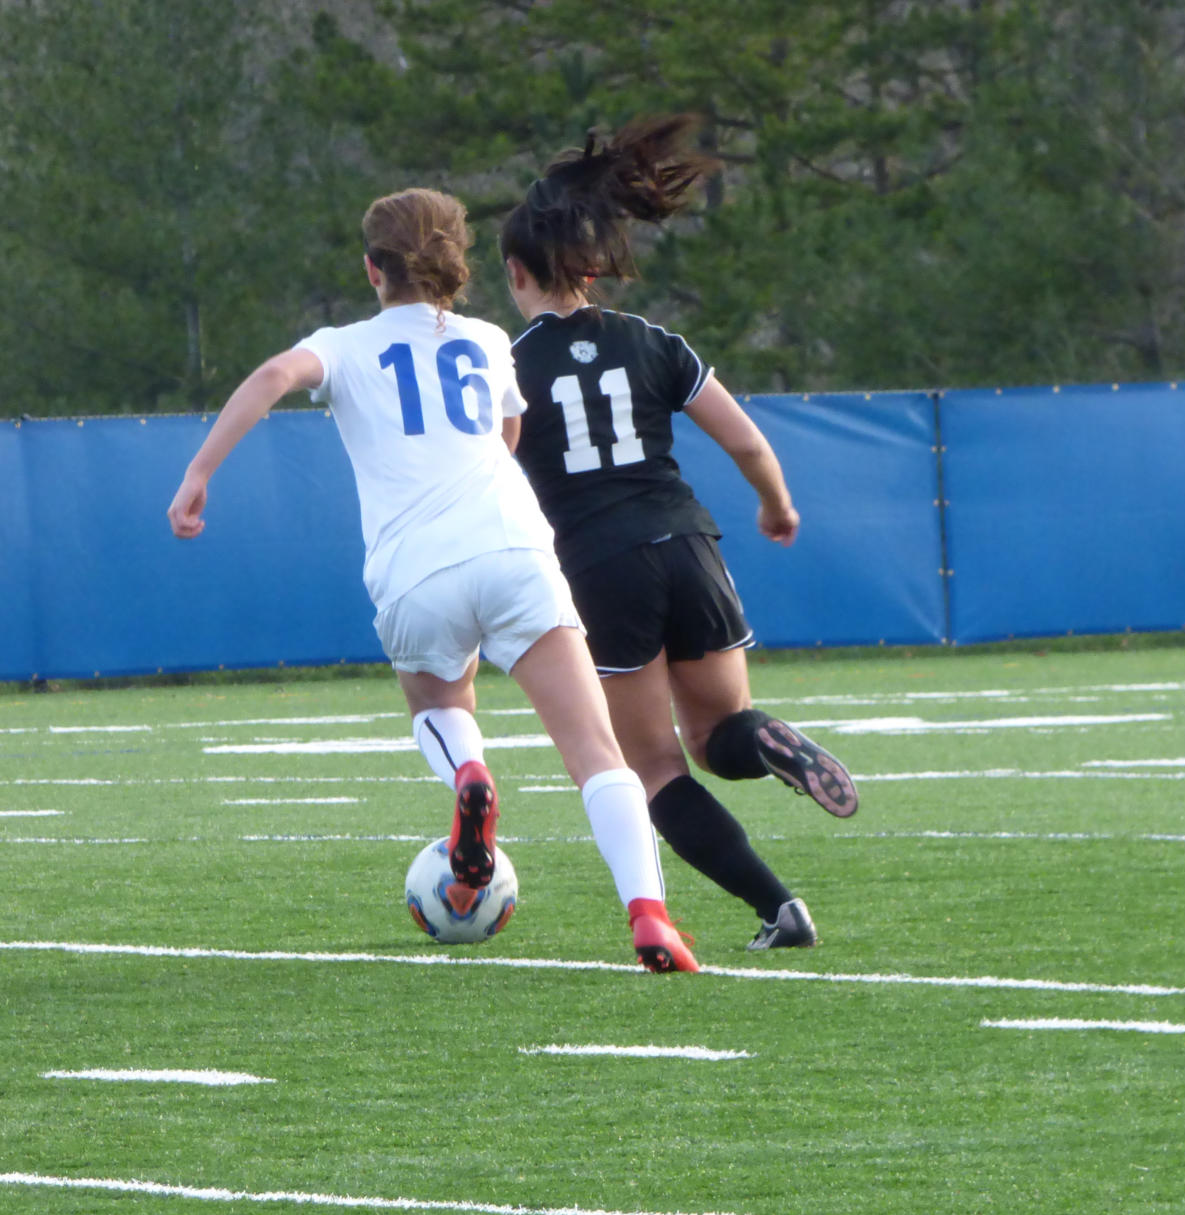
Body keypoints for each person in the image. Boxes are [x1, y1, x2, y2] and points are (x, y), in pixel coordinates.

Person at [167, 187, 697, 974]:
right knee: (596, 750)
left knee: (440, 704)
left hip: (414, 567)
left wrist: (200, 472)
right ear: (457, 265)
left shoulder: (344, 345)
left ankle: (468, 771)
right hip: (514, 547)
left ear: (372, 271)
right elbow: (508, 433)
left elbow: (276, 373)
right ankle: (649, 913)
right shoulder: (489, 340)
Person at [500, 115, 858, 952]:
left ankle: (780, 906)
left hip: (600, 563)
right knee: (719, 734)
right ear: (592, 265)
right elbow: (744, 439)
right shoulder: (655, 341)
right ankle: (770, 741)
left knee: (656, 766)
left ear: (516, 274)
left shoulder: (508, 365)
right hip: (689, 541)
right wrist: (776, 505)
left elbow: (495, 472)